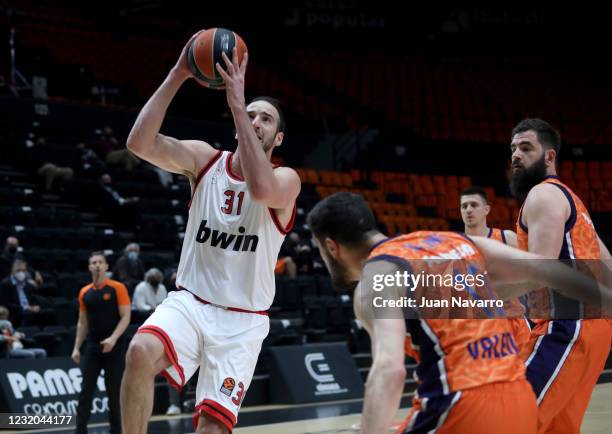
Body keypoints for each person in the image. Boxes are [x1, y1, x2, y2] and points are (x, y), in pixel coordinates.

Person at [306, 192, 611, 434]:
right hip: (519, 397)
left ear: (331, 246)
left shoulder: (378, 275)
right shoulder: (455, 241)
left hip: (459, 405)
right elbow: (544, 269)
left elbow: (389, 370)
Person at [120, 33, 300, 434]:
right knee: (138, 351)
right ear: (237, 126)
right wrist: (179, 72)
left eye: (265, 119)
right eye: (251, 114)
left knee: (212, 430)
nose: (255, 121)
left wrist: (237, 102)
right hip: (191, 302)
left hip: (242, 322)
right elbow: (138, 142)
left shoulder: (287, 180)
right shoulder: (205, 161)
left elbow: (259, 189)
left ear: (279, 138)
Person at [509, 118, 612, 434]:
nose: (515, 155)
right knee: (557, 428)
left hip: (566, 326)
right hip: (595, 330)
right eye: (512, 149)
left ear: (549, 156)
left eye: (526, 148)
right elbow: (607, 263)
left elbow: (540, 269)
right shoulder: (574, 201)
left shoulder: (542, 195)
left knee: (510, 420)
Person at [460, 186, 530, 349]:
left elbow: (535, 270)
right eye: (464, 206)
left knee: (526, 373)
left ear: (486, 209)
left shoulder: (507, 238)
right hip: (479, 327)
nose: (469, 210)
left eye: (474, 205)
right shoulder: (455, 245)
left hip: (513, 322)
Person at [72, 252, 131, 434]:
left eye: (100, 262)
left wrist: (113, 339)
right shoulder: (85, 292)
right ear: (90, 267)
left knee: (114, 392)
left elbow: (126, 317)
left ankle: (116, 430)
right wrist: (76, 347)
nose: (97, 265)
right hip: (93, 345)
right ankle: (80, 430)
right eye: (93, 263)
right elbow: (82, 322)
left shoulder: (117, 288)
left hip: (115, 345)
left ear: (106, 266)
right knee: (85, 390)